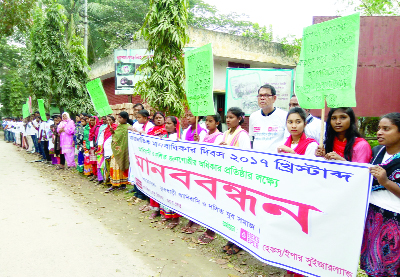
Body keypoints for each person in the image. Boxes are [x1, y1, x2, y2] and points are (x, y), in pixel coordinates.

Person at [277, 108, 318, 277]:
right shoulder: (282, 143)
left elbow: (309, 171)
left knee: (301, 232)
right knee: (288, 232)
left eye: (298, 122)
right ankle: (289, 267)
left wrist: (292, 154)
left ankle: (300, 270)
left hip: (303, 195)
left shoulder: (312, 145)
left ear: (305, 123)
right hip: (286, 193)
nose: (293, 126)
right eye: (290, 122)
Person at [360, 113, 400, 277]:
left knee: (391, 268)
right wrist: (342, 163)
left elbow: (382, 181)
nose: (379, 132)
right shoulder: (377, 152)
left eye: (386, 129)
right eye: (378, 129)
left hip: (394, 219)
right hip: (372, 215)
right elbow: (363, 173)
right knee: (372, 266)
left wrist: (386, 182)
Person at [220, 107, 251, 255]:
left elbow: (246, 157)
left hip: (239, 176)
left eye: (231, 117)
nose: (227, 120)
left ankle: (240, 242)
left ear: (239, 119)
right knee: (230, 210)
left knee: (239, 211)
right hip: (228, 175)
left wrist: (230, 150)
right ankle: (231, 239)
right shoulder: (225, 134)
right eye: (227, 117)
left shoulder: (242, 135)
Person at [196, 113, 223, 244]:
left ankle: (212, 231)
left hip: (213, 173)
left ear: (217, 123)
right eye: (206, 121)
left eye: (210, 121)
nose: (207, 123)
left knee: (213, 202)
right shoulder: (204, 135)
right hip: (203, 171)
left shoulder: (219, 137)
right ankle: (207, 228)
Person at [139, 112, 167, 212]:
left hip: (164, 162)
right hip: (152, 161)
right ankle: (154, 207)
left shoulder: (168, 129)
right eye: (156, 118)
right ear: (153, 120)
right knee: (153, 184)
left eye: (160, 118)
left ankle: (163, 209)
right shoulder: (150, 130)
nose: (159, 120)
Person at [158, 116, 182, 228]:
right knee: (164, 191)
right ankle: (166, 215)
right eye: (166, 123)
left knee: (174, 193)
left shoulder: (179, 138)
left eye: (169, 123)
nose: (166, 125)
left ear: (175, 125)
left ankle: (175, 218)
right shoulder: (163, 137)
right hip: (164, 168)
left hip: (174, 169)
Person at [249, 84, 288, 152]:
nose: (262, 98)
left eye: (266, 95)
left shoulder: (284, 116)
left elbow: (287, 140)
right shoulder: (253, 116)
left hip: (276, 158)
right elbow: (252, 138)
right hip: (257, 158)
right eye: (260, 95)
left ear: (274, 98)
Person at [106, 111, 132, 192]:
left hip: (123, 150)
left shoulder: (128, 127)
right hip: (116, 150)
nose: (119, 119)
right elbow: (116, 137)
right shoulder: (119, 126)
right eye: (118, 117)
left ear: (125, 118)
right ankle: (114, 184)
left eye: (120, 117)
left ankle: (123, 184)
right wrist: (112, 132)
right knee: (114, 166)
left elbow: (134, 131)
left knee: (122, 166)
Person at [103, 116, 117, 186]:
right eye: (107, 120)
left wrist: (113, 132)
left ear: (113, 121)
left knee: (112, 165)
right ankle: (107, 180)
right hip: (106, 149)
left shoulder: (115, 127)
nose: (108, 121)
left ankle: (113, 181)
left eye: (110, 120)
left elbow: (116, 138)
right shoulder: (106, 128)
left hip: (111, 150)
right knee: (107, 165)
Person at [88, 116, 101, 180]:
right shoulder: (91, 128)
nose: (91, 122)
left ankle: (97, 175)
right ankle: (94, 173)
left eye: (93, 120)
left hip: (96, 146)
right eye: (90, 120)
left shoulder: (97, 127)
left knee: (96, 161)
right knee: (92, 161)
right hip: (91, 146)